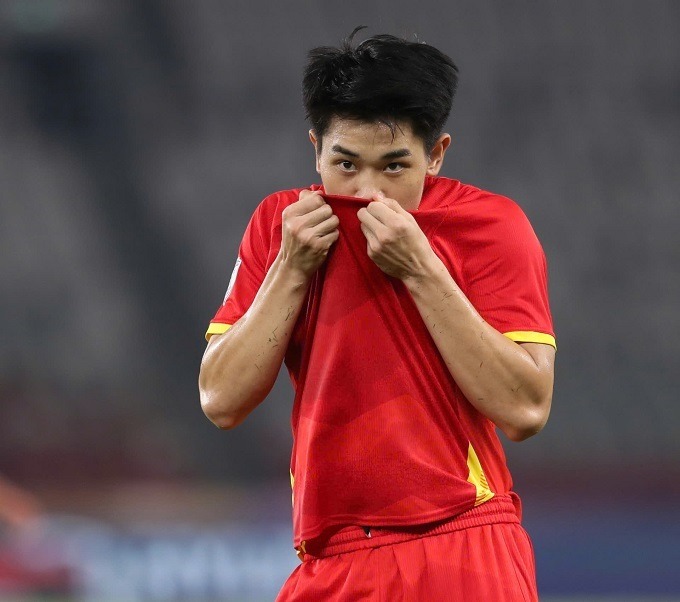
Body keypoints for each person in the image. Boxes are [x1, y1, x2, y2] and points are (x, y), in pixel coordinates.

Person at [199, 28, 555, 601]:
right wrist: (290, 269)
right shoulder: (280, 226)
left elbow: (525, 409)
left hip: (457, 547)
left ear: (435, 154)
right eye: (345, 163)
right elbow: (221, 400)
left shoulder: (491, 227)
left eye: (394, 167)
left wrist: (421, 270)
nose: (367, 192)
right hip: (329, 560)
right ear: (315, 148)